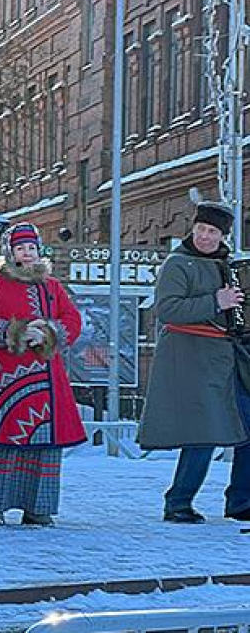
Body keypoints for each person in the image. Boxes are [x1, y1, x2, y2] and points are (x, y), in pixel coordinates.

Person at [0, 222, 84, 526]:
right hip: (0, 380)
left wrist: (48, 333)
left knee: (42, 445)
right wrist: (18, 333)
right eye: (21, 248)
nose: (27, 253)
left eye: (32, 248)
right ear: (10, 253)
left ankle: (38, 507)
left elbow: (72, 320)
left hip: (43, 385)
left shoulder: (52, 287)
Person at [138, 201, 250, 524]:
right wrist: (216, 301)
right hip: (191, 358)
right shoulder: (178, 264)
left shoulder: (228, 265)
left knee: (244, 425)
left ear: (222, 235)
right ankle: (178, 502)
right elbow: (167, 309)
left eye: (212, 231)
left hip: (228, 358)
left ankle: (240, 501)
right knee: (202, 434)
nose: (204, 236)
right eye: (200, 229)